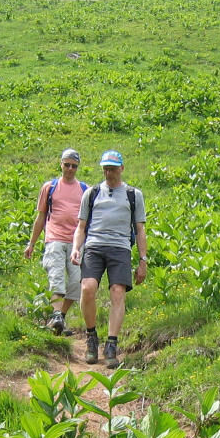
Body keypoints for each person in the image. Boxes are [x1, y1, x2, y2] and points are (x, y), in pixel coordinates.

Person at [70, 150, 147, 368]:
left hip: (120, 248)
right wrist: (76, 248)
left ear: (121, 168)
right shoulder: (92, 193)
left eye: (112, 169)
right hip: (94, 246)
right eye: (105, 169)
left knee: (117, 292)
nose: (108, 173)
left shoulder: (133, 195)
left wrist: (143, 260)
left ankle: (112, 343)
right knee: (87, 288)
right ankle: (91, 337)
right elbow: (81, 226)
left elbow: (140, 229)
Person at [26, 149, 88, 335]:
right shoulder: (50, 187)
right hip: (54, 238)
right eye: (67, 165)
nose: (70, 169)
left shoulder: (85, 189)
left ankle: (59, 316)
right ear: (61, 164)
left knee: (77, 281)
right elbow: (41, 217)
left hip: (76, 242)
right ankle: (57, 316)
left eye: (74, 166)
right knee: (56, 277)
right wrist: (31, 243)